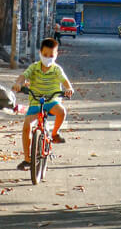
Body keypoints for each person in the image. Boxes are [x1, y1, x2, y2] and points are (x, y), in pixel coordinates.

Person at [12, 37, 75, 171]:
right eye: (45, 55)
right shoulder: (33, 68)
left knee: (62, 112)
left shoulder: (57, 69)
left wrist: (69, 89)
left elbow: (65, 82)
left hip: (52, 101)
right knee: (26, 126)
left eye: (51, 56)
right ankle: (27, 159)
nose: (48, 58)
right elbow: (23, 76)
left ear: (56, 55)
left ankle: (54, 134)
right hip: (36, 102)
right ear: (40, 52)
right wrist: (19, 84)